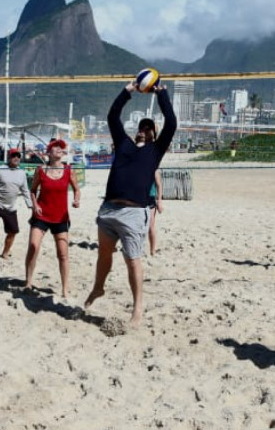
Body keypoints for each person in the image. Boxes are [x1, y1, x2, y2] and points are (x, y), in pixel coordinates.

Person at [84, 79, 177, 327]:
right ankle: (98, 288)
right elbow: (113, 116)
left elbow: (172, 123)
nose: (144, 130)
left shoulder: (155, 151)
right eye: (142, 127)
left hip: (134, 212)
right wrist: (128, 92)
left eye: (149, 128)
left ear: (154, 135)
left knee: (132, 260)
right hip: (108, 209)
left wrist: (162, 95)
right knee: (104, 255)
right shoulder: (124, 144)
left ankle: (137, 309)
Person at [25, 138, 81, 296]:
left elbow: (76, 189)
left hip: (60, 217)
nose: (58, 149)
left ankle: (64, 289)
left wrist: (77, 199)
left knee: (63, 254)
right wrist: (35, 205)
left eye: (61, 148)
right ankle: (28, 282)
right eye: (55, 147)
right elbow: (32, 190)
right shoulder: (41, 170)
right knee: (33, 246)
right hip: (41, 215)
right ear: (48, 153)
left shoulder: (69, 170)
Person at [0, 149, 33, 258]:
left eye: (18, 156)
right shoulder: (0, 170)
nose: (16, 158)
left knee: (13, 231)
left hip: (10, 207)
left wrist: (31, 205)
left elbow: (25, 190)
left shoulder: (21, 173)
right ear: (9, 157)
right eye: (14, 156)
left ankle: (5, 252)